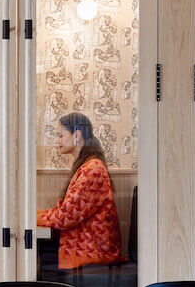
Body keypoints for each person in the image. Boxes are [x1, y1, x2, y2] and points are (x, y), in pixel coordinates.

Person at [37, 112, 127, 270]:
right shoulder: (87, 166)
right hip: (86, 249)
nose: (57, 141)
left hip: (93, 254)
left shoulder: (92, 169)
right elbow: (65, 212)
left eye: (60, 135)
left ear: (76, 135)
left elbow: (64, 218)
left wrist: (30, 217)